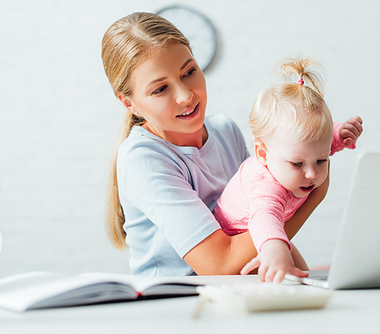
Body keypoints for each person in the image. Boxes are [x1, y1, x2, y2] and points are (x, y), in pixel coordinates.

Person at [101, 12, 334, 277]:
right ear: (128, 103)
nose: (185, 95)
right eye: (160, 89)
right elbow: (219, 265)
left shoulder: (225, 131)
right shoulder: (143, 158)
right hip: (176, 302)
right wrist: (315, 196)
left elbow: (261, 208)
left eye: (189, 72)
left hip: (237, 290)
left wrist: (304, 276)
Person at [214, 57, 363, 283]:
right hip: (243, 239)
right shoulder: (266, 186)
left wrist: (339, 135)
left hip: (271, 235)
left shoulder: (298, 152)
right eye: (297, 164)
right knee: (287, 276)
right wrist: (274, 250)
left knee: (305, 277)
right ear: (262, 154)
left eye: (322, 161)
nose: (312, 173)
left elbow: (314, 144)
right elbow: (265, 217)